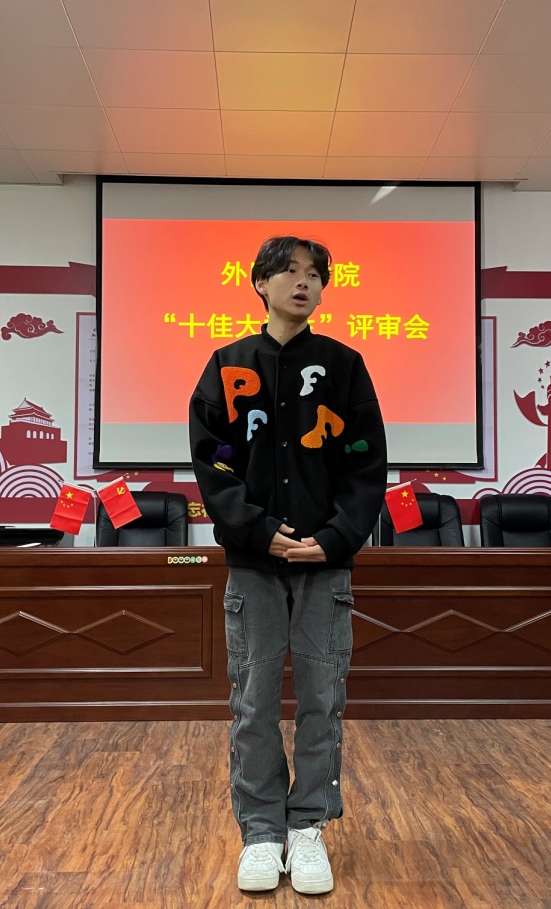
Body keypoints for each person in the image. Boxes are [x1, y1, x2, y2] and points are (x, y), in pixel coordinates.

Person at [189, 236, 387, 894]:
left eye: (314, 275)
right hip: (254, 564)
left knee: (321, 700)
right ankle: (260, 832)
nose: (303, 283)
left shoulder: (344, 366)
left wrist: (334, 538)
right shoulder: (227, 366)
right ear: (259, 283)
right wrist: (257, 530)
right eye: (289, 272)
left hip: (324, 563)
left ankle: (307, 829)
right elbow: (213, 461)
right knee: (252, 702)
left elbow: (364, 462)